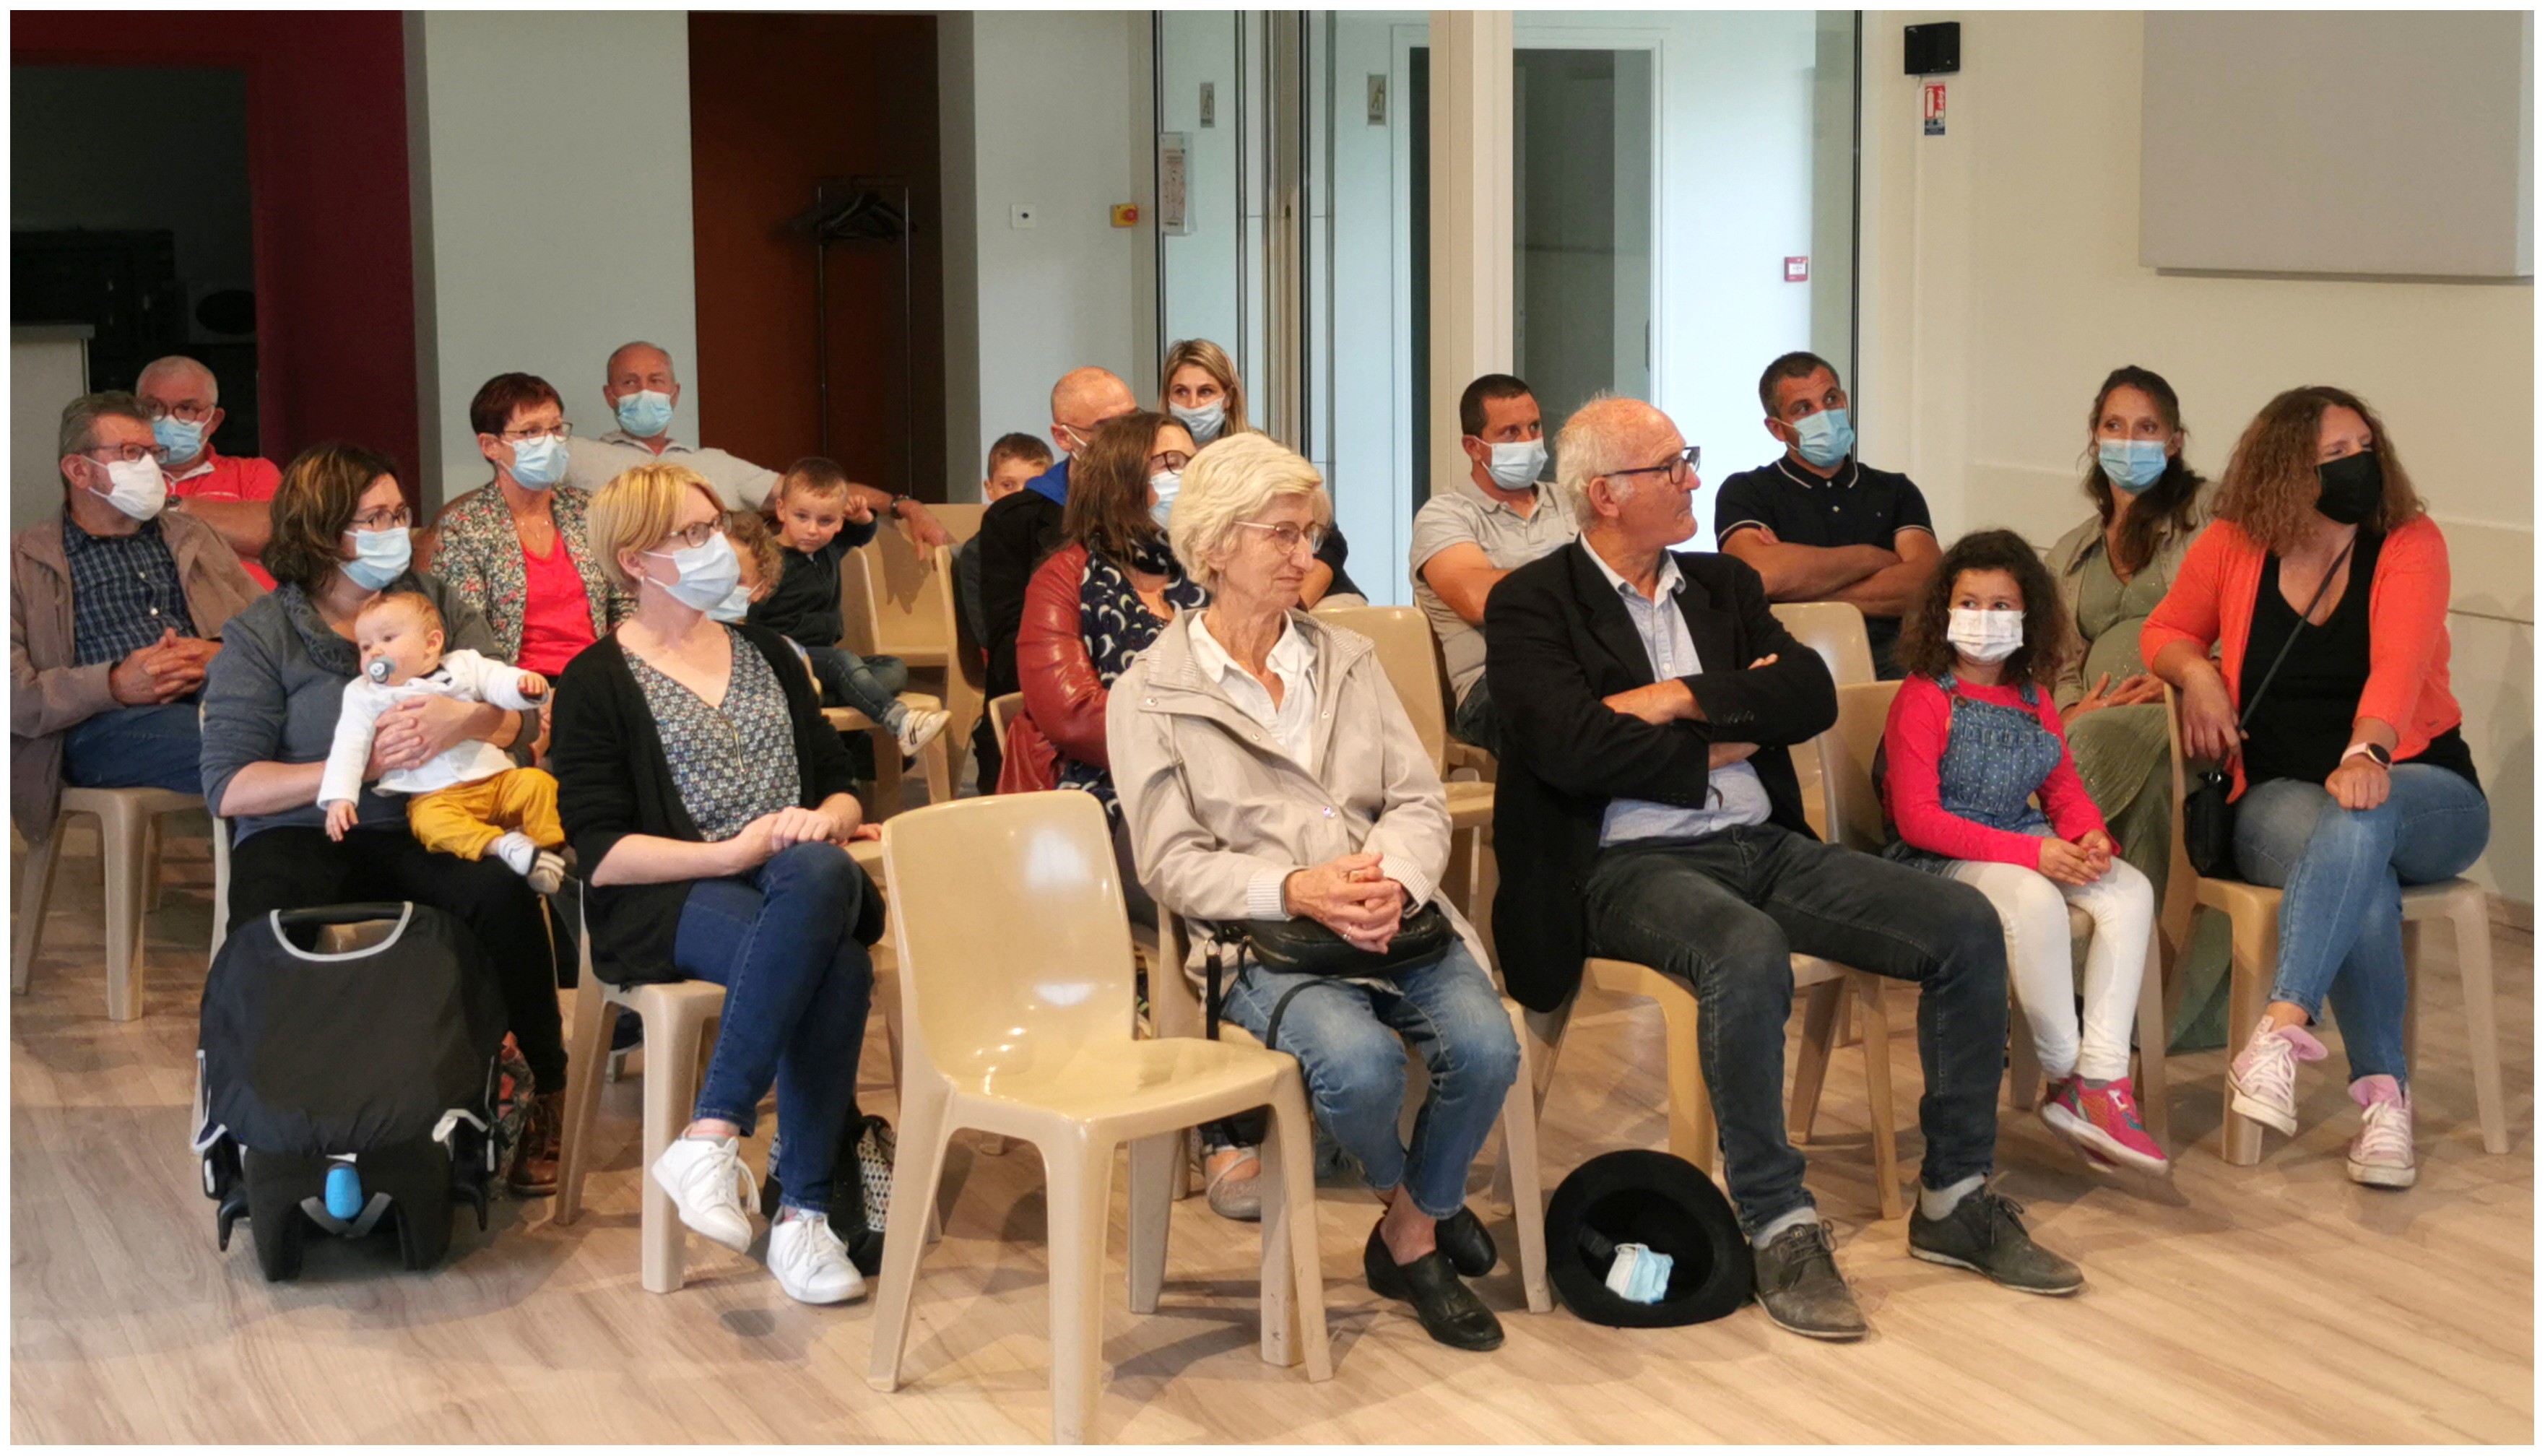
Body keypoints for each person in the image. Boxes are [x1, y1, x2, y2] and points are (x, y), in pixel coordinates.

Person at [1486, 395, 2077, 1344]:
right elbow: (1569, 748)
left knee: (1964, 925)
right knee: (1745, 949)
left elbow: (1804, 695)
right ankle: (1779, 1221)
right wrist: (1717, 739)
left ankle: (1956, 1198)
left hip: (1764, 845)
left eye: (1689, 461)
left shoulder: (1720, 586)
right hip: (1623, 866)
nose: (1693, 481)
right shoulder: (1532, 602)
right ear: (1605, 494)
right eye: (1672, 467)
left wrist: (1676, 698)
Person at [1111, 432, 1523, 1353]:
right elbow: (1168, 864)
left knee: (1489, 1048)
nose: (1310, 556)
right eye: (1285, 535)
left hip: (1391, 913)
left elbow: (1418, 799)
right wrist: (1297, 887)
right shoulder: (1149, 695)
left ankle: (1409, 1224)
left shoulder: (1346, 659)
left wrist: (1385, 880)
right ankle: (1414, 1217)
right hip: (1261, 938)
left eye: (1312, 533)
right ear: (1215, 544)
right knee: (1360, 1068)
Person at [550, 460, 881, 1305]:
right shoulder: (595, 680)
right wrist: (731, 854)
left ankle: (714, 1135)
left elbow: (842, 779)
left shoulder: (768, 650)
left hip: (796, 881)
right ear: (635, 560)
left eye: (715, 531)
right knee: (834, 957)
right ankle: (801, 1214)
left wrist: (831, 818)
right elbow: (602, 850)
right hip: (668, 897)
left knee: (815, 878)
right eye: (692, 536)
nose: (718, 551)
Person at [199, 443, 568, 1195]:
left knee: (498, 894)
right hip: (308, 831)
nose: (396, 530)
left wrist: (453, 726)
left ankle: (545, 1092)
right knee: (269, 907)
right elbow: (232, 787)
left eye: (399, 514)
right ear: (321, 531)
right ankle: (275, 1113)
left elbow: (509, 721)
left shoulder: (432, 605)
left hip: (428, 822)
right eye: (374, 517)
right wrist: (358, 769)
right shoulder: (262, 634)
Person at [2143, 386, 2487, 1190]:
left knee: (2363, 813)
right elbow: (2165, 629)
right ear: (2281, 470)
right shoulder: (2232, 543)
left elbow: (2399, 669)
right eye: (2330, 456)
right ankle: (2383, 1103)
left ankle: (2280, 1023)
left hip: (2422, 788)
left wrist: (2367, 752)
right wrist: (2195, 673)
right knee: (2352, 849)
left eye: (2361, 447)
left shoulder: (2408, 541)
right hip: (2278, 795)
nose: (2354, 466)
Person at [1881, 529, 2166, 1174]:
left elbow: (2063, 791)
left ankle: (2102, 1078)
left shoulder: (2036, 696)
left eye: (2002, 606)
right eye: (1970, 603)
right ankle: (2064, 1073)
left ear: (2029, 615)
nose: (1985, 620)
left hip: (2020, 841)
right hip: (1943, 855)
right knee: (2035, 899)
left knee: (2129, 890)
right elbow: (1919, 820)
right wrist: (2031, 855)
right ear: (1944, 611)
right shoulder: (1925, 696)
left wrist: (2089, 834)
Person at [2045, 365, 2227, 1043]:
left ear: (2174, 440)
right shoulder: (2071, 551)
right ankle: (2062, 985)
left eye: (2147, 428)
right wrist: (2072, 711)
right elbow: (2059, 659)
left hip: (2193, 713)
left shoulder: (2213, 519)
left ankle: (2087, 995)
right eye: (2116, 427)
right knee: (2076, 740)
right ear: (2095, 437)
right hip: (2102, 720)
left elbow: (2245, 622)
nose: (2131, 441)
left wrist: (2193, 674)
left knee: (2087, 753)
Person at [11, 392, 259, 846]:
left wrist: (218, 653)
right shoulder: (22, 561)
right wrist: (114, 684)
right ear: (78, 470)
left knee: (318, 722)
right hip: (100, 725)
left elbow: (271, 630)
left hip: (214, 697)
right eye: (130, 453)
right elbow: (14, 696)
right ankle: (275, 905)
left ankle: (284, 896)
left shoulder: (191, 536)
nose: (149, 466)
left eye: (152, 453)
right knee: (244, 750)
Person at [567, 339, 951, 545]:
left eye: (656, 381)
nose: (645, 391)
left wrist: (908, 507)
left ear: (675, 393)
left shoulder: (716, 464)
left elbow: (819, 493)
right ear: (610, 395)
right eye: (630, 382)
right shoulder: (577, 456)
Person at [317, 590, 565, 893]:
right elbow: (348, 745)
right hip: (435, 796)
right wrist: (340, 796)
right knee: (431, 825)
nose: (375, 653)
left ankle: (547, 852)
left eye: (388, 639)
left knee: (538, 784)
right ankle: (502, 846)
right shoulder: (364, 693)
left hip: (497, 781)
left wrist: (523, 687)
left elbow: (498, 681)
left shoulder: (463, 665)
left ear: (432, 643)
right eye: (365, 647)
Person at [1715, 352, 1939, 678]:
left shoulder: (1896, 490)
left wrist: (1799, 588)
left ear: (1845, 401)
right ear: (1777, 429)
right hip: (1790, 664)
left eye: (1831, 399)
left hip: (1894, 665)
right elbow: (1760, 575)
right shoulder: (1748, 491)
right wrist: (1873, 557)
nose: (1824, 414)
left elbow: (1927, 585)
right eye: (1804, 408)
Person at [976, 366, 1141, 784]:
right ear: (1065, 437)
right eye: (1107, 427)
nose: (1127, 438)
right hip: (1060, 714)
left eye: (1132, 420)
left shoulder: (1167, 507)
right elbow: (1009, 650)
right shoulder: (1018, 520)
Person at [1410, 373, 1578, 755]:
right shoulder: (1446, 515)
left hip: (1582, 667)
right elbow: (1479, 599)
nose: (1529, 441)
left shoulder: (1571, 500)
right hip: (1495, 685)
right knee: (1576, 727)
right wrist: (1580, 578)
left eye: (1534, 427)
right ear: (1474, 446)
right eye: (1510, 433)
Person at [428, 373, 633, 680]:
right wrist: (519, 695)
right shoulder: (464, 527)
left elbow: (627, 601)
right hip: (513, 689)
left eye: (555, 428)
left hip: (600, 680)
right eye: (531, 432)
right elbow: (467, 635)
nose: (549, 442)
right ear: (490, 446)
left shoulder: (590, 511)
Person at [748, 457, 948, 758]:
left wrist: (865, 518)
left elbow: (863, 535)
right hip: (787, 655)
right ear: (781, 510)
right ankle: (900, 721)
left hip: (823, 656)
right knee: (845, 663)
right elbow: (752, 622)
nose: (813, 530)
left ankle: (817, 698)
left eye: (826, 521)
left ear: (840, 521)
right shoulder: (769, 559)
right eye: (802, 517)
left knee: (893, 668)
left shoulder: (827, 547)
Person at [137, 355, 282, 590]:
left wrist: (168, 508)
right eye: (153, 407)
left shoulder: (254, 473)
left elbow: (271, 534)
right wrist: (232, 536)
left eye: (186, 408)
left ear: (214, 421)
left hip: (248, 618)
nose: (167, 419)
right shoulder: (113, 476)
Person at [955, 433, 1054, 652]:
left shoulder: (1060, 543)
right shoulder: (976, 553)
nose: (1019, 497)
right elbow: (988, 633)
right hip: (1016, 657)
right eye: (1008, 485)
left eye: (1032, 487)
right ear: (990, 489)